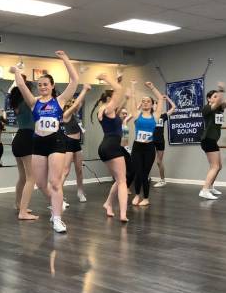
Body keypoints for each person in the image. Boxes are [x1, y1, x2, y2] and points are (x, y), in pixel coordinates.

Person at [10, 50, 79, 233]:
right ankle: (58, 204)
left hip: (56, 142)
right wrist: (17, 71)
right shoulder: (33, 103)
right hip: (38, 143)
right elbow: (21, 85)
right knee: (40, 183)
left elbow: (74, 81)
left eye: (45, 84)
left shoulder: (60, 101)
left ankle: (57, 219)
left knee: (55, 183)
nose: (42, 87)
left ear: (52, 85)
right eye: (40, 85)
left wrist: (65, 59)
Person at [92, 73, 128, 222]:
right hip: (112, 146)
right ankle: (123, 214)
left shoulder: (104, 111)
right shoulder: (108, 109)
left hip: (105, 147)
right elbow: (118, 90)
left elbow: (118, 103)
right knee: (122, 181)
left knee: (119, 179)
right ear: (109, 99)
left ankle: (108, 204)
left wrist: (124, 96)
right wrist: (107, 78)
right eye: (114, 99)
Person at [199, 82, 226, 200]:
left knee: (218, 166)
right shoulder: (207, 108)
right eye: (214, 96)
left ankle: (210, 187)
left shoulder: (219, 109)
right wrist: (221, 91)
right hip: (207, 140)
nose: (217, 99)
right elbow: (219, 100)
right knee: (214, 166)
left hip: (212, 140)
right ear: (209, 99)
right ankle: (204, 190)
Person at [129, 81, 164, 206]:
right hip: (137, 147)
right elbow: (132, 99)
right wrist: (133, 86)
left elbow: (160, 98)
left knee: (145, 173)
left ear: (151, 104)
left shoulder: (155, 116)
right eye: (143, 101)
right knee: (138, 172)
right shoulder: (137, 114)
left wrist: (152, 87)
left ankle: (146, 198)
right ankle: (137, 195)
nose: (145, 102)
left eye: (148, 101)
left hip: (149, 148)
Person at [10, 77, 39, 221]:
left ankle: (18, 204)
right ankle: (23, 212)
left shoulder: (18, 103)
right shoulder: (28, 102)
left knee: (23, 177)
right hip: (27, 139)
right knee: (31, 178)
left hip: (18, 139)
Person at [61, 84, 91, 202]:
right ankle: (59, 195)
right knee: (66, 171)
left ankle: (80, 192)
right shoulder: (66, 115)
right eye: (75, 105)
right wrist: (84, 90)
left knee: (79, 170)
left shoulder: (75, 116)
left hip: (76, 144)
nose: (78, 106)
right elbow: (75, 105)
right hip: (68, 143)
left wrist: (84, 94)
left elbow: (79, 103)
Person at [153, 95, 177, 188]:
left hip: (160, 140)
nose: (156, 106)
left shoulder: (163, 116)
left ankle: (162, 180)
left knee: (159, 162)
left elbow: (174, 107)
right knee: (147, 160)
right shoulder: (149, 116)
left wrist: (168, 99)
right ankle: (144, 178)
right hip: (150, 141)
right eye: (154, 104)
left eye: (157, 104)